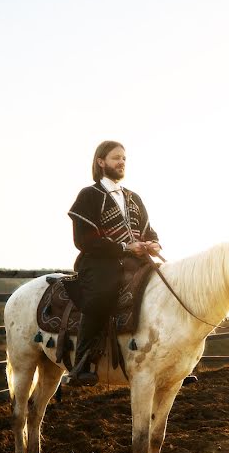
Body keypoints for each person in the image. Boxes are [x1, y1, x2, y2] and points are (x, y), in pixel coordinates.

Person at [66, 140, 161, 384]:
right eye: (116, 158)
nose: (121, 162)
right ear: (101, 162)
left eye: (124, 159)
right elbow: (83, 240)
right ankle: (81, 364)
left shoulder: (133, 197)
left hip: (137, 262)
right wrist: (123, 247)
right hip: (99, 262)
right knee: (101, 295)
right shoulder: (89, 195)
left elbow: (149, 231)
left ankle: (168, 359)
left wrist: (153, 244)